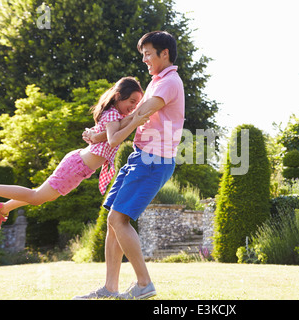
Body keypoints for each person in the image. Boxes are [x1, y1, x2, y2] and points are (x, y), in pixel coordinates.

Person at [73, 31, 185, 300]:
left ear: (164, 53)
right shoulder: (157, 81)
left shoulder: (169, 83)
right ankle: (110, 288)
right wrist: (100, 135)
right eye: (143, 54)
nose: (144, 58)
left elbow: (139, 115)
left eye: (148, 53)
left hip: (153, 160)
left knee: (117, 219)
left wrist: (105, 135)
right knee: (113, 219)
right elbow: (136, 117)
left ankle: (144, 283)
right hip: (140, 157)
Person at [0, 77, 149, 232]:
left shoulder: (115, 116)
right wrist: (135, 122)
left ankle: (1, 208)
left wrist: (130, 120)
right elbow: (113, 140)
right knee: (36, 197)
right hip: (77, 166)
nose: (133, 107)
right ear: (118, 96)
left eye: (136, 104)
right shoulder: (112, 116)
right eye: (131, 102)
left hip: (79, 167)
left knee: (40, 196)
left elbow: (107, 135)